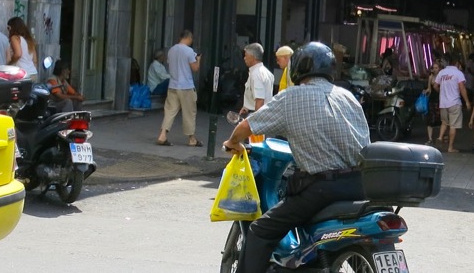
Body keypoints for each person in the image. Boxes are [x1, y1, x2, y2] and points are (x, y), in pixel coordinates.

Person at [222, 42, 370, 273]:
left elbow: (247, 126)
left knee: (261, 231)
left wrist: (233, 142)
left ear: (298, 68)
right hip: (359, 186)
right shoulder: (348, 97)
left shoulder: (292, 96)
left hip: (321, 190)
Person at [156, 30, 202, 147]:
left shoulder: (171, 50)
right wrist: (199, 59)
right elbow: (195, 68)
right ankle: (192, 139)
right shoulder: (189, 51)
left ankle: (162, 135)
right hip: (186, 86)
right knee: (189, 113)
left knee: (170, 111)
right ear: (189, 38)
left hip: (173, 85)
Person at [434, 54, 471, 153]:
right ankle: (450, 147)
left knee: (444, 123)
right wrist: (467, 101)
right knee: (453, 125)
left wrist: (440, 92)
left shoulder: (442, 73)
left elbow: (435, 85)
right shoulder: (458, 73)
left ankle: (440, 137)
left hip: (443, 103)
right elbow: (462, 88)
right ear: (457, 63)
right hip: (454, 102)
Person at [239, 43, 275, 116]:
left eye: (246, 55)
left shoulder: (256, 74)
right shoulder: (267, 72)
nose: (244, 58)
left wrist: (256, 122)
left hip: (256, 115)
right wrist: (246, 107)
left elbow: (259, 100)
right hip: (264, 114)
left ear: (253, 57)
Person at [424, 61, 442, 145]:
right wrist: (426, 91)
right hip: (432, 99)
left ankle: (442, 136)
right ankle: (430, 139)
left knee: (441, 119)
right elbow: (429, 89)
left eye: (436, 68)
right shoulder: (430, 77)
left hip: (440, 100)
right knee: (430, 119)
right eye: (433, 68)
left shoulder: (441, 77)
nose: (435, 70)